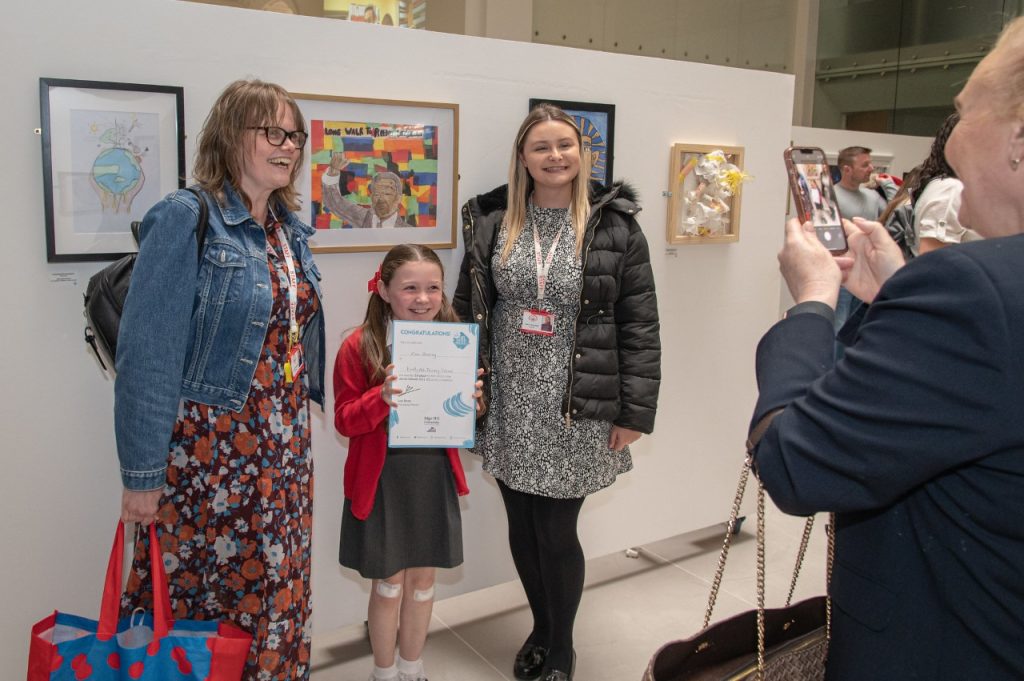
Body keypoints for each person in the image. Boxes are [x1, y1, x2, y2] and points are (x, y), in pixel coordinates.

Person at [749, 16, 1024, 678]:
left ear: (1018, 138)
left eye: (962, 112)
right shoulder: (978, 299)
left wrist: (812, 304)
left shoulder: (972, 290)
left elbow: (792, 462)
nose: (951, 136)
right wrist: (901, 297)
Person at [114, 79, 324, 681]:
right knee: (201, 620)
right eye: (274, 133)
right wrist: (142, 477)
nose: (289, 146)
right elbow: (148, 358)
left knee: (274, 600)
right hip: (210, 462)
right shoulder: (186, 217)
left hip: (281, 456)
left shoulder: (288, 230)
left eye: (295, 135)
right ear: (233, 137)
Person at [454, 104, 661, 681]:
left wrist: (636, 410)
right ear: (523, 158)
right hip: (510, 394)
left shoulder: (614, 223)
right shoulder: (492, 220)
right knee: (521, 523)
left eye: (564, 145)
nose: (555, 157)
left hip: (578, 400)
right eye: (541, 147)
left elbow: (640, 324)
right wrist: (456, 386)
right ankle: (541, 629)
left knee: (556, 527)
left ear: (583, 152)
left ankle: (562, 646)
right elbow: (468, 308)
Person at [334, 244, 474, 681]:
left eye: (433, 288)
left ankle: (413, 669)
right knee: (389, 584)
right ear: (384, 291)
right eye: (410, 288)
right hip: (382, 481)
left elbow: (461, 413)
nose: (423, 299)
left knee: (422, 584)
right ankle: (383, 671)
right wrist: (382, 397)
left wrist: (473, 401)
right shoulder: (359, 345)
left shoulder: (454, 337)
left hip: (432, 476)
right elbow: (343, 420)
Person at [322, 155, 411, 228]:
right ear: (371, 197)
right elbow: (336, 204)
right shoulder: (365, 217)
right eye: (376, 194)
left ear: (398, 198)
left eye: (387, 193)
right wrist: (333, 173)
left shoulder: (407, 231)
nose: (381, 199)